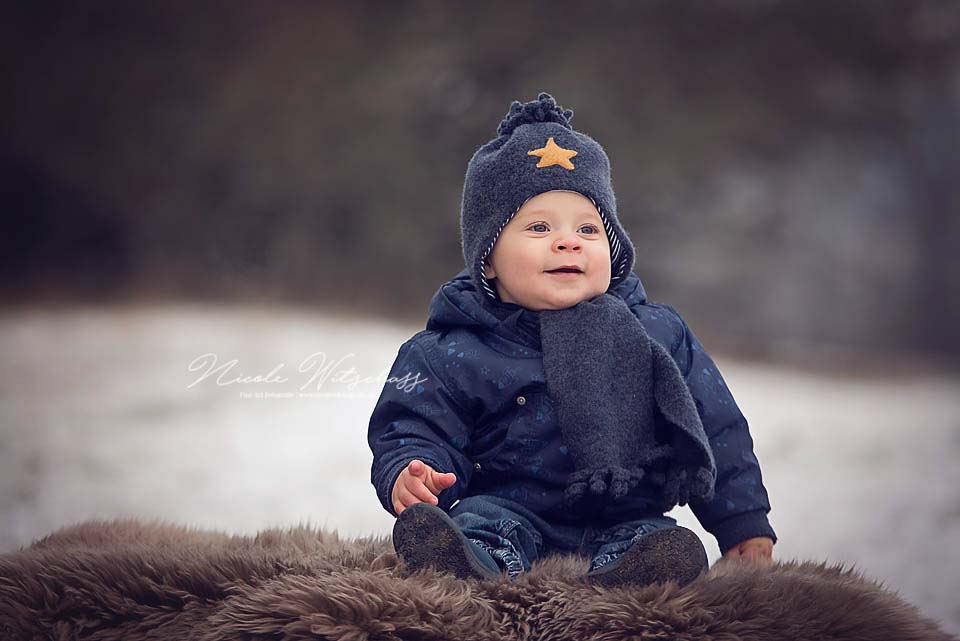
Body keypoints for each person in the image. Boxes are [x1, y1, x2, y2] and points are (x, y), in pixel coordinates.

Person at [367, 92, 776, 586]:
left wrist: (742, 522)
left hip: (623, 515)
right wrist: (415, 470)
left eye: (589, 228)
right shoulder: (451, 349)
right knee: (480, 525)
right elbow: (412, 424)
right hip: (507, 507)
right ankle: (470, 562)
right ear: (487, 260)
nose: (569, 241)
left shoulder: (656, 334)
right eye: (539, 227)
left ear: (614, 248)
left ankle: (632, 572)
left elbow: (718, 429)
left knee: (657, 539)